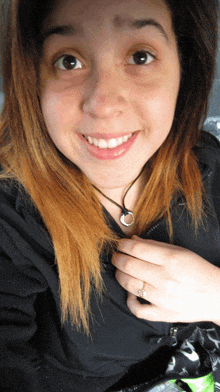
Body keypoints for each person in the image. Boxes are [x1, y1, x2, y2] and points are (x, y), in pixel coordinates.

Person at [0, 0, 220, 390]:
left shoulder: (208, 164)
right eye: (68, 61)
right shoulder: (10, 217)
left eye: (140, 56)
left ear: (184, 65)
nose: (102, 105)